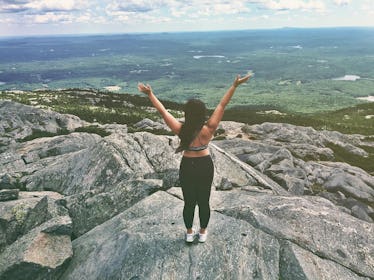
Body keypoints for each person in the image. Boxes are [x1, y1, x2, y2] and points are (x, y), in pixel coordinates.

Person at [138, 74, 251, 243]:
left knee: (189, 202)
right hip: (205, 165)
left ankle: (190, 233)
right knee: (204, 201)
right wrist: (234, 86)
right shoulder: (210, 128)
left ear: (187, 114)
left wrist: (150, 94)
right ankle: (203, 232)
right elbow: (222, 104)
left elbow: (162, 111)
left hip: (187, 166)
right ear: (202, 113)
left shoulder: (180, 129)